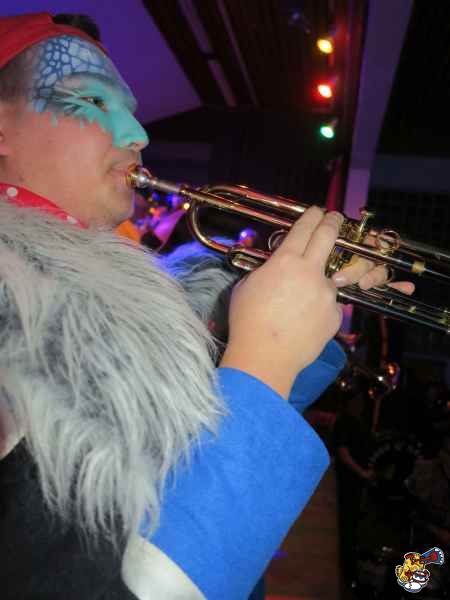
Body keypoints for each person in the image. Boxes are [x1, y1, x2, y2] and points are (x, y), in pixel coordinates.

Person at [0, 12, 414, 600]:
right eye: (92, 99)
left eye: (131, 110)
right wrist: (264, 359)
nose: (137, 133)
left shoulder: (112, 291)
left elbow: (188, 447)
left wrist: (287, 319)